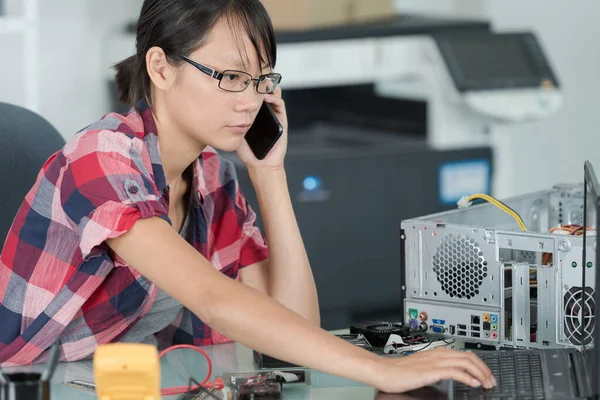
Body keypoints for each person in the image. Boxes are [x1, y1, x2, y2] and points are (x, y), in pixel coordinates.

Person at [0, 0, 495, 393]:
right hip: (30, 382)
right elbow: (214, 300)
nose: (249, 100)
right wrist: (380, 370)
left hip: (121, 383)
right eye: (231, 77)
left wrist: (270, 173)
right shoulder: (101, 159)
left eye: (261, 80)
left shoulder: (211, 178)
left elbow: (295, 330)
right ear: (161, 67)